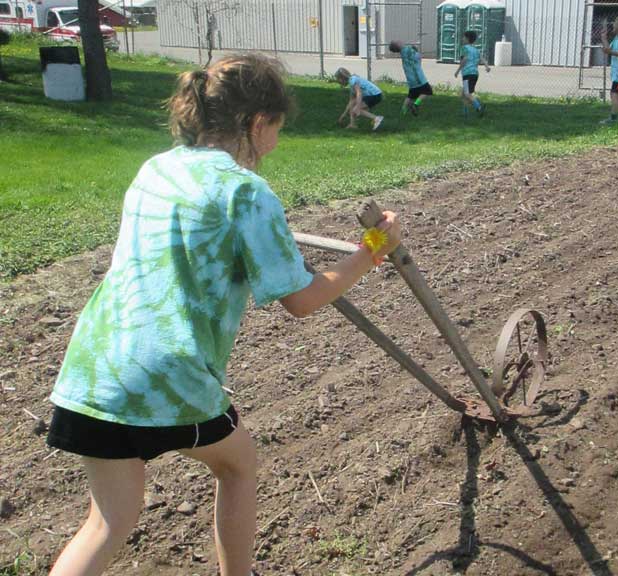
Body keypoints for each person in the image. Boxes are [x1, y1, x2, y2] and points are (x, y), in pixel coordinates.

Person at [45, 53, 401, 576]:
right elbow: (300, 300)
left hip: (95, 368)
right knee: (238, 465)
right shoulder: (245, 191)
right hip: (170, 375)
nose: (276, 143)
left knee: (107, 522)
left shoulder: (158, 167)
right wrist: (374, 248)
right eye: (277, 128)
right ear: (257, 123)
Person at [389, 40, 433, 116]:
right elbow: (418, 57)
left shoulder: (402, 52)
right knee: (427, 91)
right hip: (418, 77)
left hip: (410, 79)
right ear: (398, 45)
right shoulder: (408, 49)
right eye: (398, 41)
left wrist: (414, 50)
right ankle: (415, 104)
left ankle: (403, 110)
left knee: (411, 95)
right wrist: (416, 50)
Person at [454, 30, 490, 117]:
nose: (462, 39)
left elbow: (464, 60)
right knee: (463, 94)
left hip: (467, 73)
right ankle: (465, 114)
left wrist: (458, 71)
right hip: (475, 74)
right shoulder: (476, 50)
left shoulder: (464, 48)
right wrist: (486, 66)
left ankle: (479, 107)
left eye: (463, 37)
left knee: (467, 94)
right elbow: (482, 59)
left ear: (467, 39)